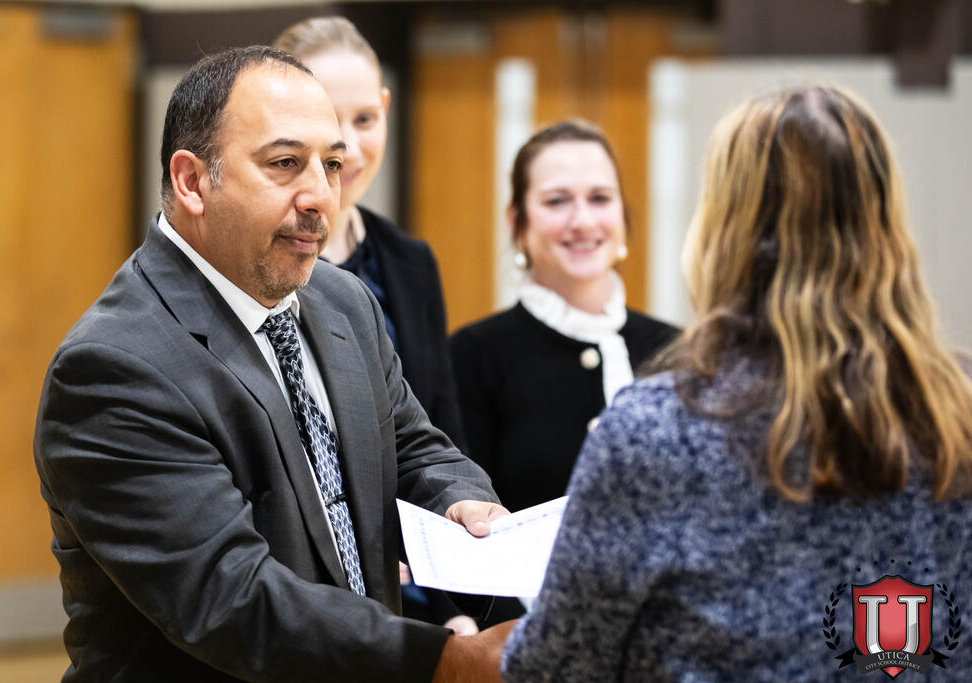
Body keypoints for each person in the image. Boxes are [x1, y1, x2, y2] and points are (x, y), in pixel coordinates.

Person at [33, 46, 512, 682]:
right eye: (285, 164)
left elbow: (412, 447)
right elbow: (231, 600)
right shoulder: (112, 368)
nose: (320, 197)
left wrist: (462, 501)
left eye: (331, 164)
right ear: (192, 181)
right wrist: (447, 663)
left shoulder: (343, 300)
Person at [502, 85, 972, 681]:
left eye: (599, 197)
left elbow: (551, 669)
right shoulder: (953, 411)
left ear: (725, 226)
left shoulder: (658, 431)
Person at [272, 16, 478, 635]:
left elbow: (434, 431)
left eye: (365, 119)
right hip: (308, 592)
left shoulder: (409, 263)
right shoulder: (262, 272)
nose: (350, 149)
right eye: (329, 123)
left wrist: (457, 606)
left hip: (417, 579)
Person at [450, 120, 678, 515]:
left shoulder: (679, 351)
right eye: (557, 201)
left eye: (600, 198)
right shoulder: (471, 356)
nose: (583, 221)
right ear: (517, 222)